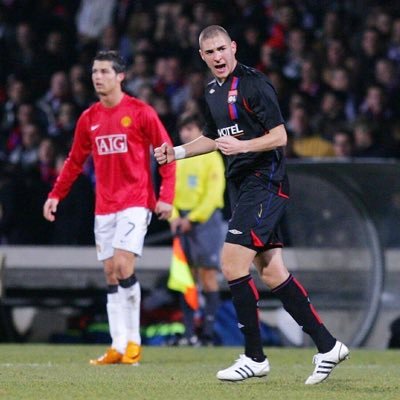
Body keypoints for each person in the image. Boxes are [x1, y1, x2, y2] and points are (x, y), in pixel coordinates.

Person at [154, 25, 349, 384]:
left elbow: (280, 135)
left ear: (233, 47)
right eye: (209, 52)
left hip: (266, 181)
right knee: (272, 272)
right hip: (242, 187)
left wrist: (243, 147)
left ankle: (254, 356)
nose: (217, 57)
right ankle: (328, 345)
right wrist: (176, 153)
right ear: (202, 56)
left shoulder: (254, 83)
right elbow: (214, 137)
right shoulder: (212, 90)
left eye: (221, 49)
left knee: (230, 262)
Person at [43, 50, 176, 365]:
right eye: (94, 71)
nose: (97, 77)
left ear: (120, 76)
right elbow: (75, 161)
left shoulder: (141, 113)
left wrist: (166, 195)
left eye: (104, 71)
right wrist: (55, 195)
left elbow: (167, 153)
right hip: (104, 205)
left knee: (122, 264)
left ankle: (134, 341)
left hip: (135, 201)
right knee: (109, 273)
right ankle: (117, 345)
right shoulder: (89, 118)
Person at [169, 112, 225, 346]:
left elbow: (214, 194)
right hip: (181, 220)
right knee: (186, 278)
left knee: (208, 275)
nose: (185, 133)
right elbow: (167, 188)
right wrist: (172, 216)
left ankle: (208, 334)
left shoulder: (211, 155)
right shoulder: (177, 155)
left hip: (205, 221)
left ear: (200, 131)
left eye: (190, 129)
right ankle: (189, 332)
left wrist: (192, 218)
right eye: (183, 129)